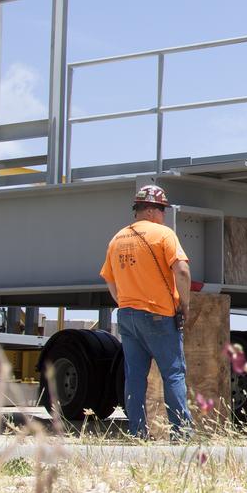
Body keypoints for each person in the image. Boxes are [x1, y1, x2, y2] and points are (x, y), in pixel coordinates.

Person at [99, 184, 193, 439]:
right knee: (173, 373)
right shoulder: (163, 234)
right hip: (159, 314)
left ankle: (137, 433)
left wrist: (124, 301)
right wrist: (184, 305)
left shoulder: (117, 239)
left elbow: (109, 279)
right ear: (151, 210)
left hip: (127, 315)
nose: (163, 215)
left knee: (135, 376)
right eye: (161, 210)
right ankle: (181, 435)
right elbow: (182, 271)